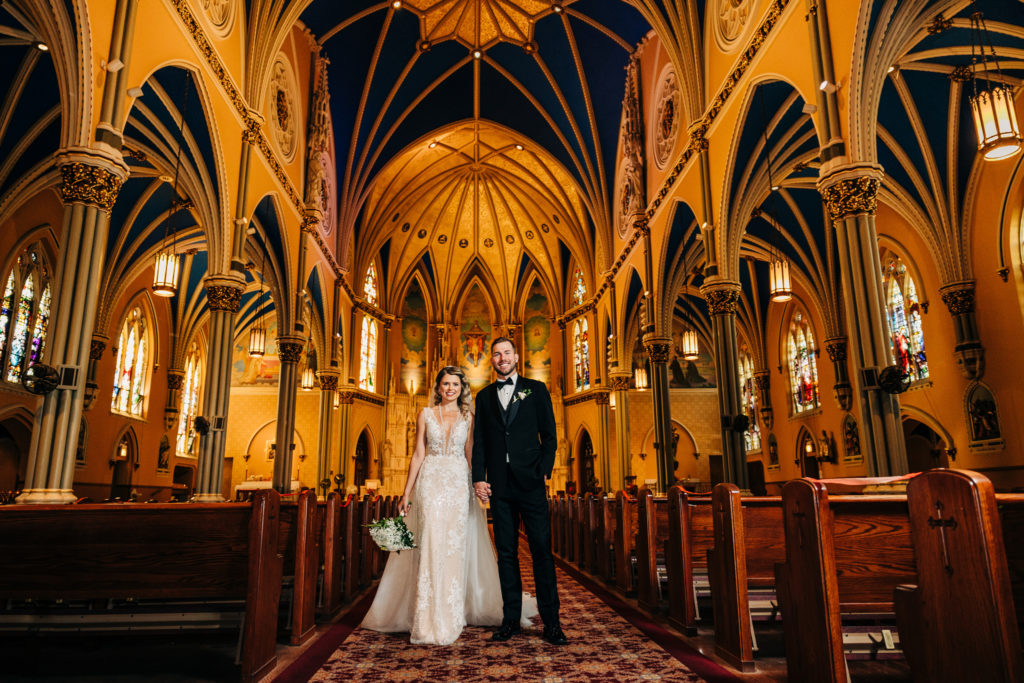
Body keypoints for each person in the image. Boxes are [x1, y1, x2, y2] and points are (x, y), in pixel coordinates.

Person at [360, 366, 535, 645]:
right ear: (438, 387)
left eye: (455, 384)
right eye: (445, 383)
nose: (450, 388)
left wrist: (479, 484)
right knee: (429, 541)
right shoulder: (425, 414)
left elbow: (471, 455)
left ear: (461, 388)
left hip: (458, 484)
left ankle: (452, 610)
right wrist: (406, 493)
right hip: (430, 482)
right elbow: (418, 454)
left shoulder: (469, 417)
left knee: (454, 545)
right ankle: (427, 613)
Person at [472, 337, 567, 645]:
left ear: (516, 356)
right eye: (497, 354)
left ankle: (552, 622)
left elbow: (549, 435)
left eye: (507, 352)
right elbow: (481, 444)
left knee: (541, 549)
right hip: (499, 485)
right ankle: (510, 619)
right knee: (507, 554)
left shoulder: (536, 390)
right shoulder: (484, 397)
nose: (502, 358)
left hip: (531, 483)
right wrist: (478, 478)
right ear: (492, 360)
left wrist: (543, 469)